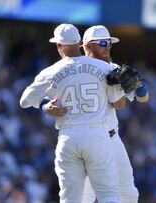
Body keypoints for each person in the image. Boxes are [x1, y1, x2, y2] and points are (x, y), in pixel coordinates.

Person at [42, 25, 149, 203]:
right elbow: (44, 97)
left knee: (128, 194)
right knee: (85, 197)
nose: (107, 46)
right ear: (87, 46)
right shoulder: (71, 69)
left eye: (109, 43)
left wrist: (139, 83)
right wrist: (46, 107)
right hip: (87, 137)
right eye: (102, 43)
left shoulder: (114, 69)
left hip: (111, 138)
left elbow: (142, 99)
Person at [19, 23, 125, 203]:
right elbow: (118, 101)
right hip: (96, 135)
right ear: (79, 43)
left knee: (70, 199)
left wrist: (45, 106)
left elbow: (25, 100)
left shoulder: (51, 71)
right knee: (109, 195)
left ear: (59, 46)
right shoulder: (104, 68)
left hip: (68, 136)